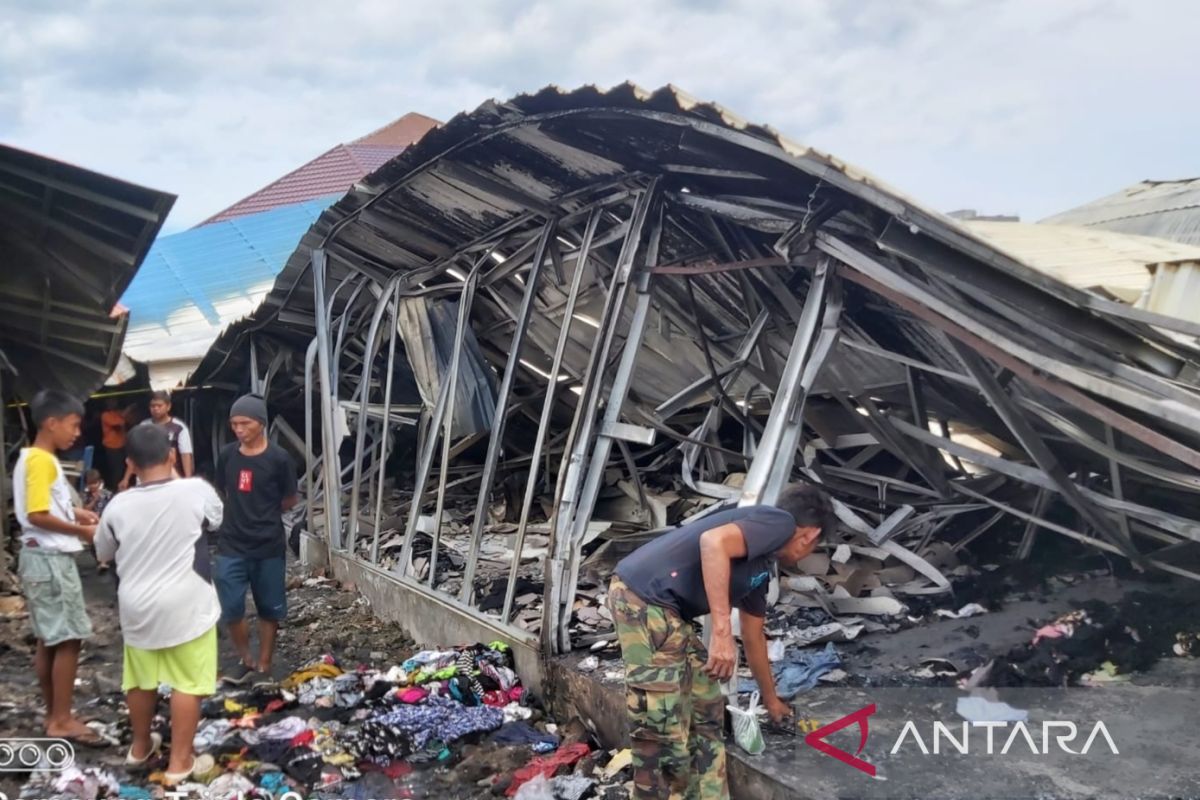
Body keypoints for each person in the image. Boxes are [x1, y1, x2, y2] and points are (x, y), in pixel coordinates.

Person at [608, 483, 834, 800]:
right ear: (810, 535)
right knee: (661, 721)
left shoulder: (759, 568)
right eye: (814, 545)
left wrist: (771, 701)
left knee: (705, 705)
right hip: (642, 599)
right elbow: (713, 542)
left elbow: (754, 636)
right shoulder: (779, 522)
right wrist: (722, 634)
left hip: (669, 615)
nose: (808, 553)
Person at [94, 425, 221, 783]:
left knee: (139, 678)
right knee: (188, 682)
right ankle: (180, 762)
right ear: (170, 455)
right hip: (188, 604)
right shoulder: (195, 490)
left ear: (130, 462)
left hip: (137, 607)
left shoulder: (117, 505)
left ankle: (139, 747)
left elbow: (103, 552)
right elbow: (216, 520)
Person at [13, 390, 105, 746]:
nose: (77, 432)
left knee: (49, 639)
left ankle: (55, 714)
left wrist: (76, 512)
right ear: (51, 423)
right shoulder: (42, 461)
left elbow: (42, 505)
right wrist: (82, 530)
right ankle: (61, 719)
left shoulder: (31, 459)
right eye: (73, 424)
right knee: (68, 638)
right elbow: (37, 515)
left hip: (38, 558)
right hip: (50, 561)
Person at [213, 394, 298, 684]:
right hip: (232, 543)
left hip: (268, 544)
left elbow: (289, 499)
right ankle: (244, 658)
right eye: (234, 424)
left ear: (260, 423)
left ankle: (264, 664)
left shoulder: (279, 459)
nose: (238, 429)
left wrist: (263, 513)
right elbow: (223, 488)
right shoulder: (227, 456)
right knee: (231, 605)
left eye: (244, 423)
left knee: (269, 607)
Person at [119, 391, 193, 489]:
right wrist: (126, 478)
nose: (155, 409)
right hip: (145, 479)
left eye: (159, 405)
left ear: (168, 406)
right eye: (152, 406)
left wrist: (188, 480)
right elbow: (136, 453)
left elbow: (186, 454)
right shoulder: (143, 426)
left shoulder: (179, 428)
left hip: (172, 478)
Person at [83, 469, 114, 573]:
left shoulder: (107, 494)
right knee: (94, 543)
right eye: (89, 484)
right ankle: (99, 561)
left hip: (104, 521)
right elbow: (85, 509)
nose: (92, 486)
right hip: (92, 522)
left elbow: (112, 508)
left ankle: (103, 562)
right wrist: (94, 500)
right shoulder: (86, 494)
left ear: (100, 482)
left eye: (94, 483)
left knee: (104, 541)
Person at [99, 398, 128, 491]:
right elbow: (118, 424)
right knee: (116, 471)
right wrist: (125, 414)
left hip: (122, 445)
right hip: (112, 447)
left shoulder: (117, 413)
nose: (113, 402)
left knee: (123, 469)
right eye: (110, 401)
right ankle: (115, 491)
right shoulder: (105, 415)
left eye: (114, 401)